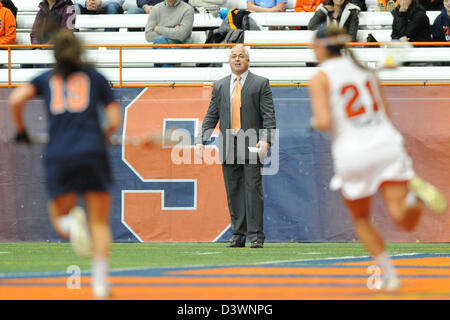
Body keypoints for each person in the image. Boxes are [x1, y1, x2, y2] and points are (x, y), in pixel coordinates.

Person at [308, 25, 447, 290]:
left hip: (353, 153)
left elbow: (325, 121)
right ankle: (414, 198)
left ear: (323, 47)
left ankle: (390, 276)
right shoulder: (365, 71)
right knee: (404, 219)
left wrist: (316, 121)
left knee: (361, 219)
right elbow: (385, 114)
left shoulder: (321, 76)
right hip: (385, 144)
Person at [9, 29, 122, 299]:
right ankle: (100, 285)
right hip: (93, 152)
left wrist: (22, 131)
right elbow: (114, 121)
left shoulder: (47, 78)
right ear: (80, 49)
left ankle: (72, 225)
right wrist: (104, 137)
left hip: (59, 153)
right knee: (99, 222)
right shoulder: (96, 78)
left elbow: (15, 99)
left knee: (61, 219)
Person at [195, 45, 277, 249]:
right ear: (229, 61)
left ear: (248, 60)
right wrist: (201, 139)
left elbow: (268, 114)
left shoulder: (260, 83)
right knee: (234, 191)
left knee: (253, 189)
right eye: (234, 56)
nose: (237, 59)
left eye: (241, 56)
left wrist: (266, 138)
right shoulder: (221, 85)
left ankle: (256, 235)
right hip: (228, 143)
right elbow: (211, 115)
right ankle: (238, 234)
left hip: (252, 142)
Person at [145, 0, 194, 67]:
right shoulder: (156, 8)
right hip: (160, 45)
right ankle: (168, 75)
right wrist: (174, 30)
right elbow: (148, 35)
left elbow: (181, 35)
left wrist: (158, 29)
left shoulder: (188, 9)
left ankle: (163, 75)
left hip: (179, 46)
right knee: (161, 40)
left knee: (160, 44)